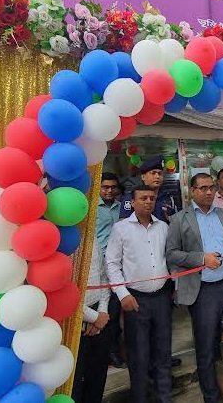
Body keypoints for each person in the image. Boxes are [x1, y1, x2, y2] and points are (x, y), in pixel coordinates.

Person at [166, 173, 223, 403]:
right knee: (206, 348)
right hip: (202, 291)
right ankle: (211, 397)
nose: (209, 192)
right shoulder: (179, 219)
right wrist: (202, 259)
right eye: (203, 188)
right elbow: (172, 254)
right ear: (192, 191)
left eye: (211, 187)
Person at [106, 185, 173, 403]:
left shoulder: (163, 227)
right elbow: (112, 263)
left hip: (162, 297)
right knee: (139, 356)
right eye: (143, 198)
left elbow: (170, 259)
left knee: (163, 352)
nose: (148, 202)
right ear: (132, 202)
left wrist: (175, 287)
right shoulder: (121, 229)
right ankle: (141, 398)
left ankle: (164, 398)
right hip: (135, 300)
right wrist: (122, 294)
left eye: (151, 198)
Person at [72, 239, 112, 403]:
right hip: (71, 321)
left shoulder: (92, 240)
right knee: (75, 382)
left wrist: (101, 312)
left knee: (97, 376)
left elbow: (103, 277)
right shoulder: (61, 246)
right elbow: (62, 293)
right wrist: (93, 317)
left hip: (99, 313)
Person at [96, 172, 127, 368]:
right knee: (107, 311)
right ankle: (111, 352)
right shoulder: (91, 208)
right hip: (100, 268)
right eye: (105, 187)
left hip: (121, 266)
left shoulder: (123, 207)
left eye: (113, 187)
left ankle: (118, 348)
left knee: (119, 309)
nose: (109, 190)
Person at [120, 155, 178, 223]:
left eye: (160, 174)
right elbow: (123, 224)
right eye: (153, 173)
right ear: (143, 177)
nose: (157, 176)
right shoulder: (131, 197)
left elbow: (175, 223)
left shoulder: (167, 198)